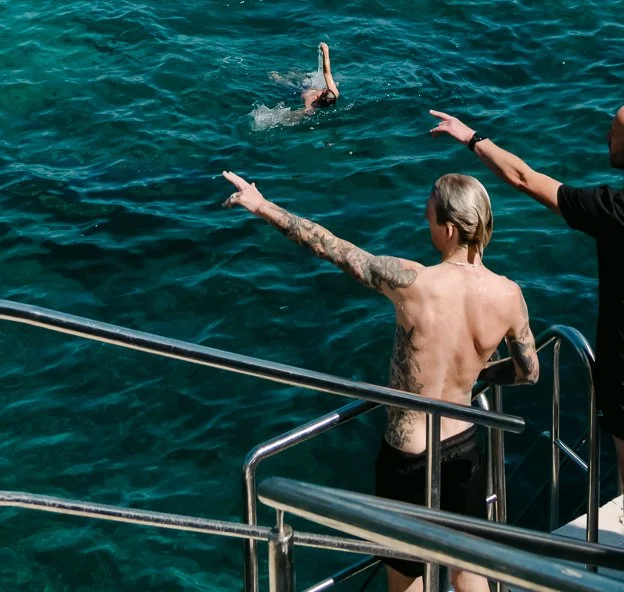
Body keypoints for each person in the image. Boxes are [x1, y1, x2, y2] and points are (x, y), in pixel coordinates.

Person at [222, 167, 538, 592]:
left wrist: (262, 206)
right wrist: (482, 371)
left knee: (407, 576)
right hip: (463, 446)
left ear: (447, 229)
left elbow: (331, 247)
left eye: (428, 219)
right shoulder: (509, 294)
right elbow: (527, 371)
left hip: (407, 456)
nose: (425, 224)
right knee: (468, 569)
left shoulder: (413, 282)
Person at [430, 104, 624, 568]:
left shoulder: (615, 210)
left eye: (614, 135)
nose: (607, 138)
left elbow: (524, 178)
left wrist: (471, 137)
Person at [302, 41, 340, 111]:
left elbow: (301, 113)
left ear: (322, 97)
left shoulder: (311, 105)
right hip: (310, 86)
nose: (325, 89)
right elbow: (327, 73)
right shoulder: (334, 93)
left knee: (281, 79)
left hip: (299, 89)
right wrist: (326, 51)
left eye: (324, 91)